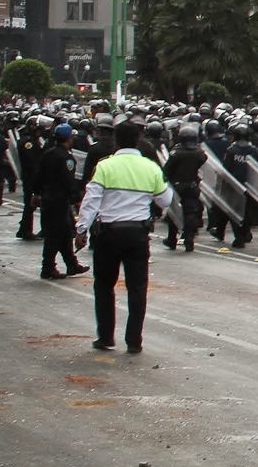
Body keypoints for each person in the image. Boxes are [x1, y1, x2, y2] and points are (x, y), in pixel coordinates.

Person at [75, 119, 173, 354]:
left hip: (108, 233)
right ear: (138, 140)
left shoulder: (105, 166)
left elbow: (91, 201)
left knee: (104, 286)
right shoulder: (150, 167)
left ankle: (106, 337)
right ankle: (134, 340)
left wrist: (81, 230)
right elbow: (165, 200)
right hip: (138, 234)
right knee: (137, 288)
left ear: (116, 140)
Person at [36, 122, 89, 280]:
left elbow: (38, 175)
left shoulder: (48, 153)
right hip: (59, 200)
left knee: (65, 233)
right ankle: (48, 268)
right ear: (68, 138)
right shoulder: (67, 158)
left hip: (48, 198)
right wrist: (76, 198)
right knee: (55, 235)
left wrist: (36, 193)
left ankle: (71, 264)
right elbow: (68, 181)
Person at [161, 124, 206, 252]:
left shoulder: (176, 153)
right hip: (192, 185)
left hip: (177, 186)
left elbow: (167, 170)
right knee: (190, 211)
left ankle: (172, 240)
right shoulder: (199, 153)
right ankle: (189, 239)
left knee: (174, 213)